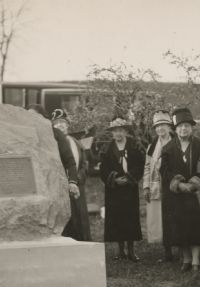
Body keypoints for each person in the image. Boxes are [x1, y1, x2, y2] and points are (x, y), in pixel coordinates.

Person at [159, 108, 200, 272]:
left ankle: (196, 259)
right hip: (176, 195)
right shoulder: (168, 149)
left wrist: (195, 183)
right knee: (179, 226)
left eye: (187, 126)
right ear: (175, 129)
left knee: (195, 225)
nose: (184, 129)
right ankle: (186, 258)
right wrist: (178, 184)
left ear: (192, 128)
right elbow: (164, 171)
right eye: (181, 126)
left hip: (195, 194)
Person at [99, 117, 145, 261]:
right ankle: (120, 250)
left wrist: (130, 177)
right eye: (115, 131)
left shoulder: (134, 146)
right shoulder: (107, 149)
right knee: (117, 218)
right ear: (112, 133)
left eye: (121, 130)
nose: (118, 134)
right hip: (114, 189)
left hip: (129, 188)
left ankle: (131, 250)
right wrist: (114, 179)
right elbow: (103, 169)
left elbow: (140, 165)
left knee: (130, 217)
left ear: (125, 131)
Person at [51, 108, 91, 241]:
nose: (60, 125)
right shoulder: (53, 143)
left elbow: (84, 163)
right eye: (56, 123)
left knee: (80, 217)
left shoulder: (75, 142)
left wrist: (78, 178)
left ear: (67, 125)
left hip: (78, 185)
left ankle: (84, 241)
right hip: (61, 188)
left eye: (63, 122)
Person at [27, 104, 80, 199]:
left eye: (33, 116)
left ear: (42, 117)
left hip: (54, 183)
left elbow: (70, 161)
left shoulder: (56, 134)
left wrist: (72, 182)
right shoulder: (24, 134)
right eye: (28, 116)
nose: (30, 119)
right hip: (32, 184)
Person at [143, 110, 173, 259]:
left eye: (163, 125)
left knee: (173, 216)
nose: (160, 129)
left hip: (172, 186)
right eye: (158, 126)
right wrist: (146, 186)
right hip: (156, 186)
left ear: (169, 127)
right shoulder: (152, 146)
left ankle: (180, 248)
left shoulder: (176, 143)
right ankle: (166, 250)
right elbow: (147, 166)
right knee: (160, 217)